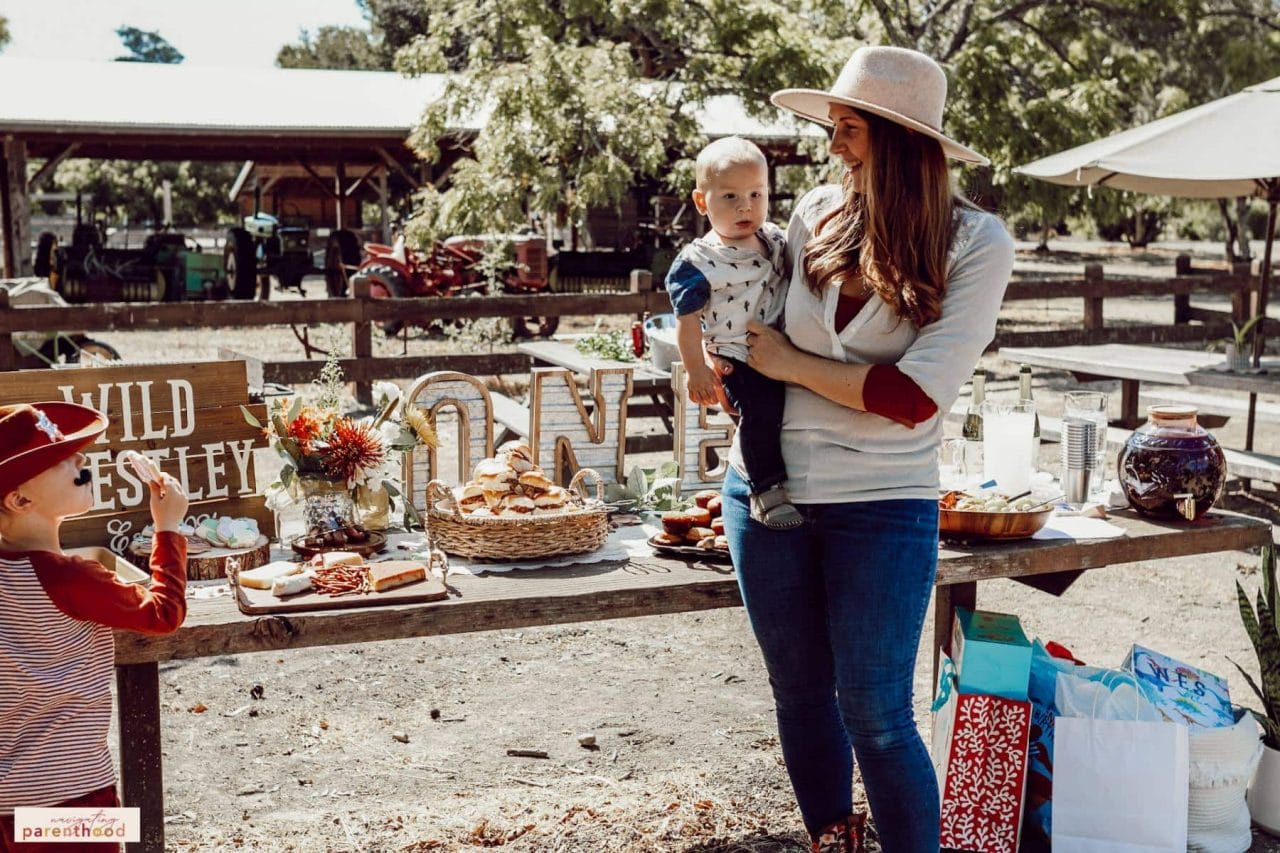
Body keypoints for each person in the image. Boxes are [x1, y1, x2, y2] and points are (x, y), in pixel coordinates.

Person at [716, 46, 1015, 852]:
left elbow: (914, 399)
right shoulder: (818, 211)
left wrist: (788, 366)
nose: (832, 145)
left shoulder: (976, 242)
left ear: (897, 138)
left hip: (882, 503)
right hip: (764, 493)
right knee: (801, 696)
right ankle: (833, 842)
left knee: (877, 712)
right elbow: (756, 325)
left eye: (848, 129)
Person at [0, 402, 189, 853]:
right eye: (60, 458)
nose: (82, 460)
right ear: (20, 500)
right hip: (74, 796)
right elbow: (163, 613)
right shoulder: (71, 577)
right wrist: (168, 527)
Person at [665, 136, 801, 529]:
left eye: (756, 194)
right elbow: (687, 324)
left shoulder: (774, 238)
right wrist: (696, 369)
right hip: (738, 358)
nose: (746, 206)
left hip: (784, 348)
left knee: (788, 414)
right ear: (702, 201)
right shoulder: (698, 263)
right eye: (730, 197)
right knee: (760, 412)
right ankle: (765, 489)